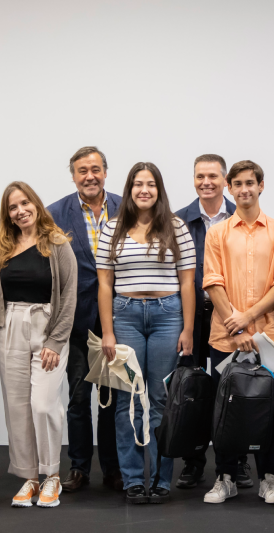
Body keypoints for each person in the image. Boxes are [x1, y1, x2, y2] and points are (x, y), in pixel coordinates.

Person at [97, 163, 196, 504]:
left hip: (168, 316)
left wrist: (188, 328)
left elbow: (187, 282)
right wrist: (107, 331)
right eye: (138, 184)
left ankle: (161, 479)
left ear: (159, 190)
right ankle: (134, 480)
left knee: (160, 401)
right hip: (125, 316)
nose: (144, 190)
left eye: (150, 184)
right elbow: (105, 283)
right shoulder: (113, 228)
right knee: (127, 401)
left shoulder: (176, 227)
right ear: (129, 189)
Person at [202, 160, 274, 505]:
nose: (244, 189)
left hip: (268, 337)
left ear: (261, 185)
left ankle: (269, 478)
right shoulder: (218, 233)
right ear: (229, 188)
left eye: (249, 183)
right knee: (225, 410)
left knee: (267, 409)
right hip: (225, 338)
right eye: (237, 184)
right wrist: (235, 325)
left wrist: (248, 321)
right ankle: (225, 477)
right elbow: (212, 281)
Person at [0, 182, 77, 510]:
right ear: (8, 214)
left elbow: (69, 294)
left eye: (25, 203)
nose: (20, 211)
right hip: (10, 327)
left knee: (43, 404)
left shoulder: (57, 243)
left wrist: (56, 340)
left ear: (36, 204)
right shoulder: (3, 247)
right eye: (13, 207)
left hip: (47, 327)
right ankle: (29, 477)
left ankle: (51, 475)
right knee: (18, 408)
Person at [46, 147, 122, 492]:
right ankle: (78, 467)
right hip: (74, 323)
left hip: (118, 319)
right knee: (78, 398)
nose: (89, 176)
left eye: (95, 169)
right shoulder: (55, 215)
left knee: (112, 398)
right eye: (81, 170)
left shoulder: (128, 209)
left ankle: (113, 468)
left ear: (105, 171)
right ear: (73, 175)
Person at [173, 154, 237, 490]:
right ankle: (193, 461)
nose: (205, 182)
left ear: (225, 180)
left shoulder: (240, 217)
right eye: (200, 176)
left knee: (232, 390)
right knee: (192, 392)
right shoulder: (179, 221)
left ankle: (235, 463)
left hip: (230, 316)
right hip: (193, 318)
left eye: (213, 176)